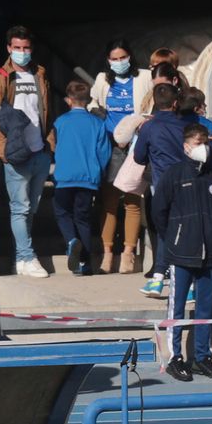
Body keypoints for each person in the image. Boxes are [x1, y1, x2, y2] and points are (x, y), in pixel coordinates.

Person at [151, 122, 212, 382]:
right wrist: (174, 237)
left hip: (210, 254)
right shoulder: (174, 174)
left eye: (204, 144)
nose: (201, 149)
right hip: (181, 252)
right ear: (185, 147)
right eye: (196, 144)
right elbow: (158, 211)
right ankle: (175, 358)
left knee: (206, 308)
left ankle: (202, 357)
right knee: (177, 308)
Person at [0, 25, 54, 279]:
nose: (22, 52)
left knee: (31, 207)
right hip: (16, 154)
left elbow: (46, 110)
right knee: (20, 207)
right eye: (17, 48)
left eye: (26, 48)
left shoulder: (39, 74)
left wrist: (49, 143)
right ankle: (27, 256)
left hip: (39, 150)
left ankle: (21, 259)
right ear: (8, 48)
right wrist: (2, 150)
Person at [89, 39, 152, 274]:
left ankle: (128, 253)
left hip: (136, 143)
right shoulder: (102, 79)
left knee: (134, 201)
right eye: (114, 59)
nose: (118, 62)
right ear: (108, 61)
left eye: (122, 57)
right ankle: (107, 254)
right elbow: (93, 102)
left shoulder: (144, 76)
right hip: (111, 145)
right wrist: (96, 111)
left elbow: (151, 102)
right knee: (110, 202)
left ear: (130, 57)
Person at [133, 81, 194, 298]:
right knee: (187, 233)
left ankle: (158, 280)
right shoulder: (186, 126)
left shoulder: (149, 127)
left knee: (164, 232)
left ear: (155, 103)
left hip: (161, 187)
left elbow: (138, 157)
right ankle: (190, 287)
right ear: (176, 102)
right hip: (187, 186)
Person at [52, 80, 112, 276]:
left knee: (62, 212)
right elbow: (104, 153)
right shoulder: (97, 123)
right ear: (88, 101)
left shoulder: (60, 122)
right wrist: (99, 173)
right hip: (88, 178)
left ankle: (71, 241)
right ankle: (86, 264)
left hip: (65, 177)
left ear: (68, 100)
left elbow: (55, 146)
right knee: (83, 219)